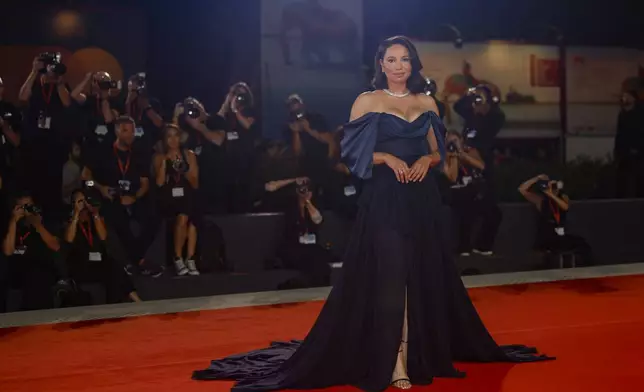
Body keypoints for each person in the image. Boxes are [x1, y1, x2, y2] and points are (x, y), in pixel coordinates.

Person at [193, 36, 552, 391]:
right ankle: (392, 361)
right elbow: (351, 156)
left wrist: (426, 161)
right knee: (391, 278)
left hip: (421, 199)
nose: (399, 66)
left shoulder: (427, 101)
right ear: (381, 64)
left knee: (415, 279)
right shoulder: (367, 101)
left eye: (405, 59)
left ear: (413, 64)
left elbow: (438, 153)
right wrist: (387, 157)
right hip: (384, 197)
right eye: (392, 60)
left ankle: (410, 356)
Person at [81, 116, 158, 276]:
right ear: (116, 131)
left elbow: (145, 184)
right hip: (110, 196)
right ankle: (139, 261)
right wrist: (100, 188)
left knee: (154, 218)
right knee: (118, 218)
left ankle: (133, 260)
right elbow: (85, 179)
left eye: (131, 132)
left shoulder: (139, 153)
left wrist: (135, 197)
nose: (129, 135)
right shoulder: (103, 151)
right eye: (125, 131)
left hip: (133, 197)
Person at [62, 189, 141, 304]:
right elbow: (68, 239)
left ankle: (118, 304)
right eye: (80, 201)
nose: (83, 204)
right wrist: (76, 214)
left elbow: (103, 237)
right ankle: (136, 300)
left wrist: (95, 213)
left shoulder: (95, 219)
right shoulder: (70, 221)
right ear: (73, 203)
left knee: (114, 268)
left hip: (98, 263)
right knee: (115, 271)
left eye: (85, 200)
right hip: (81, 265)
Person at [0, 193, 68, 311]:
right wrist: (13, 221)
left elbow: (55, 246)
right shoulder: (13, 226)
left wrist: (37, 224)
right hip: (18, 284)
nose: (26, 210)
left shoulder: (46, 224)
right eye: (22, 206)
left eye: (29, 206)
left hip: (42, 284)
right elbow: (8, 251)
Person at [444, 130, 501, 256]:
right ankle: (463, 247)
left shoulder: (470, 151)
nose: (452, 143)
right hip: (457, 192)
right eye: (449, 141)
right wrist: (453, 157)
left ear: (461, 140)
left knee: (495, 213)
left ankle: (483, 245)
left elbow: (481, 166)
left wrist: (462, 154)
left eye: (455, 140)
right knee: (465, 207)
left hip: (476, 190)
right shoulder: (445, 155)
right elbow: (452, 178)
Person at [153, 124, 200, 276]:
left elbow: (195, 183)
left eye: (176, 135)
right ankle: (178, 257)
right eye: (169, 136)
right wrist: (165, 164)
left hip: (187, 195)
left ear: (180, 138)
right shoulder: (159, 156)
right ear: (165, 140)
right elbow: (159, 183)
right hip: (168, 197)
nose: (173, 140)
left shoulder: (189, 155)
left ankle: (190, 259)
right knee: (184, 217)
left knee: (191, 219)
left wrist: (184, 170)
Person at [518, 174, 592, 266]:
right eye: (552, 186)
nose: (554, 189)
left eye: (555, 186)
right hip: (546, 235)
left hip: (560, 235)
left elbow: (565, 207)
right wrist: (537, 179)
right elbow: (522, 190)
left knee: (582, 244)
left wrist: (552, 195)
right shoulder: (542, 201)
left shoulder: (563, 197)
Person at [276, 179, 333, 289]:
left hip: (311, 247)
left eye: (307, 189)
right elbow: (290, 229)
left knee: (320, 258)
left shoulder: (313, 207)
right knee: (310, 259)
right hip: (293, 246)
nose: (304, 192)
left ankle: (322, 289)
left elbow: (318, 220)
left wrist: (308, 203)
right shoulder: (290, 207)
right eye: (301, 190)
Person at [614, 91, 644, 198]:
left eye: (628, 96)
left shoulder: (640, 113)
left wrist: (638, 148)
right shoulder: (622, 114)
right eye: (624, 96)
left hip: (639, 153)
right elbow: (620, 134)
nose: (625, 98)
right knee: (625, 179)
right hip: (625, 153)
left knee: (639, 179)